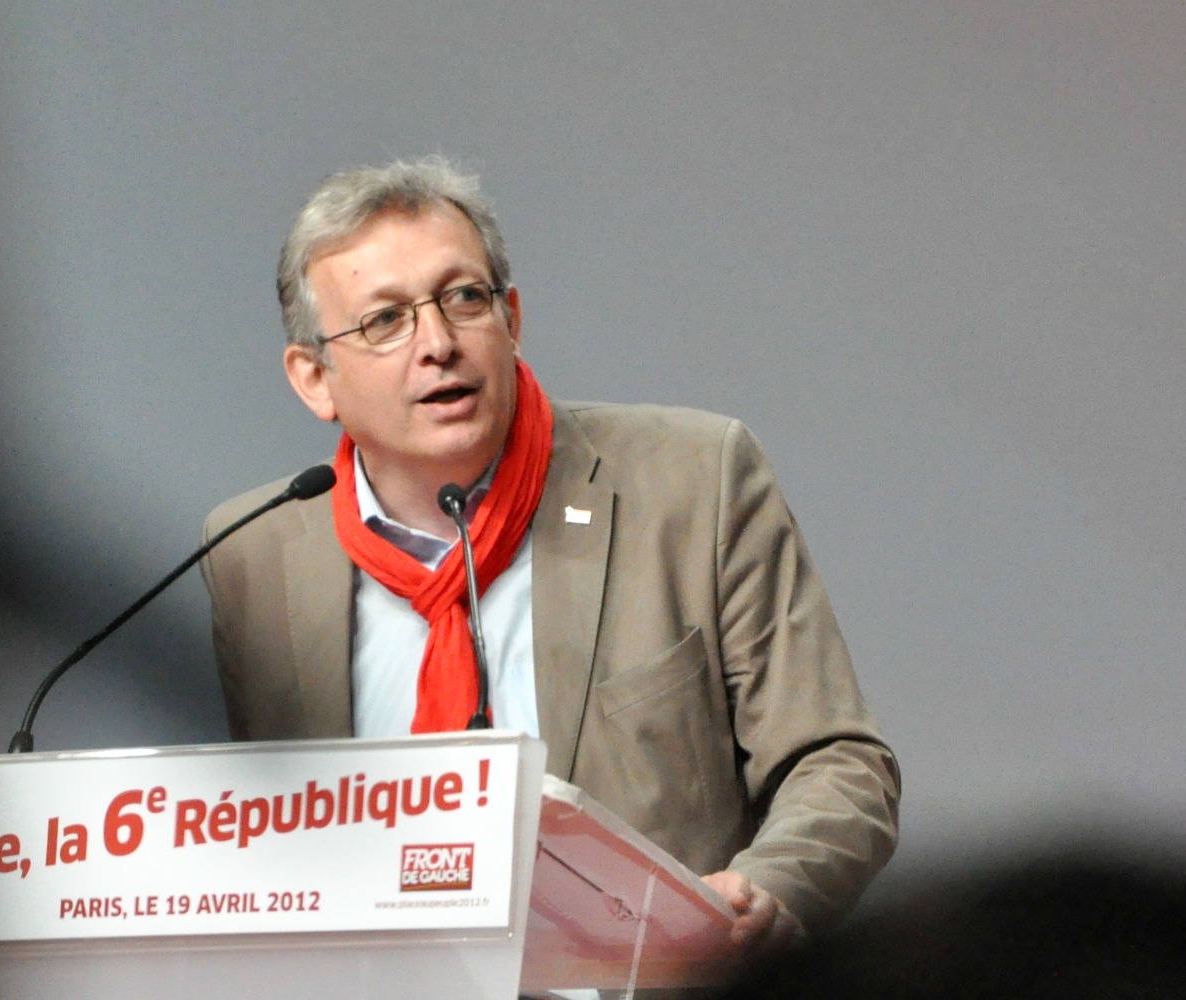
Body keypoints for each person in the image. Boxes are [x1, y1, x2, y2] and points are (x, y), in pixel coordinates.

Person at [200, 157, 899, 962]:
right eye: (385, 321)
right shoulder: (256, 557)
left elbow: (839, 762)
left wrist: (767, 892)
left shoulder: (693, 483)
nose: (438, 344)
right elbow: (280, 846)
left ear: (512, 319)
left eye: (464, 298)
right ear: (314, 378)